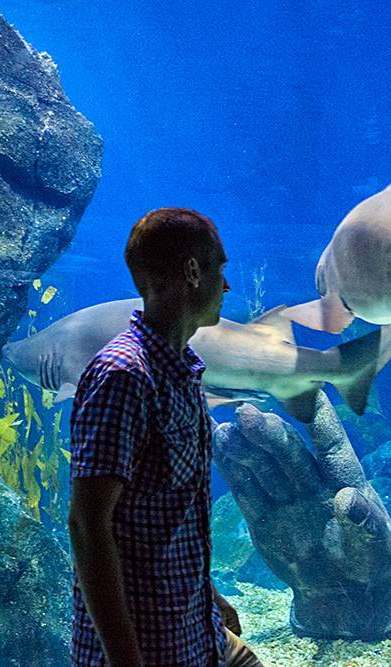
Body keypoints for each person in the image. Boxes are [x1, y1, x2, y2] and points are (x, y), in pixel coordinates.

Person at [68, 208, 265, 666]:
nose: (227, 285)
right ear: (193, 271)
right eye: (219, 268)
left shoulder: (183, 369)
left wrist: (208, 597)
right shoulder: (124, 376)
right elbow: (88, 525)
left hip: (195, 630)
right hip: (149, 647)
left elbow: (171, 514)